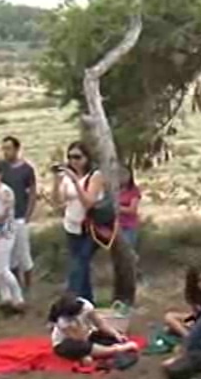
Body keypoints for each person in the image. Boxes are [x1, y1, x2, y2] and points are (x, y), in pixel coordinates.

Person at [51, 142, 105, 304]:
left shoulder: (95, 176)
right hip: (72, 226)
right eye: (70, 157)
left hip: (91, 228)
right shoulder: (67, 176)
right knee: (82, 267)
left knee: (78, 265)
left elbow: (89, 202)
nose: (73, 161)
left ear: (87, 158)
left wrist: (76, 181)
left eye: (77, 157)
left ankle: (70, 303)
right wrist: (56, 180)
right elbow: (57, 201)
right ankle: (87, 303)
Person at [0, 136, 36, 289]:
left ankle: (29, 287)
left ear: (17, 149)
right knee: (9, 257)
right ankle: (15, 287)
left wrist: (28, 214)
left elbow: (32, 192)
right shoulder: (0, 167)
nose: (6, 152)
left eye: (9, 148)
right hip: (4, 218)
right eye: (3, 148)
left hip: (19, 216)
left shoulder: (26, 169)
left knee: (24, 253)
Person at [49, 292, 138, 362]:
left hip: (88, 335)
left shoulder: (85, 305)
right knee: (81, 347)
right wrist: (76, 323)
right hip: (67, 342)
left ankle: (88, 355)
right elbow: (80, 338)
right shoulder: (62, 320)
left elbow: (100, 324)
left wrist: (115, 334)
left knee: (110, 337)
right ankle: (115, 350)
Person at [0, 162, 24, 312]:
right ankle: (6, 298)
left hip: (5, 232)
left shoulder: (5, 191)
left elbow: (2, 214)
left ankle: (18, 298)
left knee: (3, 268)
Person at [117, 165, 141, 250]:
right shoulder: (113, 189)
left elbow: (132, 210)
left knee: (127, 251)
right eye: (119, 173)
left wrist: (116, 208)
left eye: (124, 173)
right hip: (115, 226)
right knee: (116, 253)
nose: (122, 176)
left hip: (128, 226)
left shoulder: (134, 190)